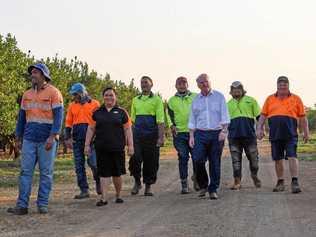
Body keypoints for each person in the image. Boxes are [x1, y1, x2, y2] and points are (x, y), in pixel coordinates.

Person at [7, 63, 63, 215]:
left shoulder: (54, 93)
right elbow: (21, 118)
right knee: (25, 172)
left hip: (47, 139)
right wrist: (18, 137)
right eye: (32, 72)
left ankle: (42, 204)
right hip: (29, 139)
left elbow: (58, 117)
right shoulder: (26, 94)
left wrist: (53, 136)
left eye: (35, 72)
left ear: (43, 75)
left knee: (45, 173)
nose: (32, 75)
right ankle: (22, 205)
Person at [257, 76, 309, 193]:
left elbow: (303, 117)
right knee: (278, 159)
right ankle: (280, 182)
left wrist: (306, 132)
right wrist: (259, 128)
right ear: (277, 86)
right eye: (280, 86)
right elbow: (263, 115)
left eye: (285, 86)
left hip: (291, 134)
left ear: (288, 86)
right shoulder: (270, 99)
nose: (282, 88)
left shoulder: (296, 99)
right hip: (275, 134)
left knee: (292, 156)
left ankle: (295, 182)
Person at [85, 87, 134, 206]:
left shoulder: (122, 112)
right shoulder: (97, 112)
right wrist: (87, 144)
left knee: (117, 174)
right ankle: (104, 198)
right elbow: (91, 129)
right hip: (101, 148)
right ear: (103, 97)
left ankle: (118, 195)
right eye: (106, 95)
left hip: (117, 148)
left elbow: (128, 130)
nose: (109, 97)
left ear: (115, 97)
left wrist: (130, 145)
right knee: (103, 173)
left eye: (111, 95)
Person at [188, 73, 230, 200]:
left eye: (206, 81)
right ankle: (203, 185)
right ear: (198, 85)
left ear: (209, 82)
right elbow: (192, 119)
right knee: (197, 159)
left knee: (214, 162)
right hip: (200, 133)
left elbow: (225, 115)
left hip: (216, 133)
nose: (204, 84)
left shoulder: (219, 97)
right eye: (201, 82)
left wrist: (224, 131)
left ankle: (213, 189)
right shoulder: (195, 100)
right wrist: (191, 136)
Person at [129, 76, 165, 196]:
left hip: (152, 135)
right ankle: (137, 182)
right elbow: (132, 120)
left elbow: (160, 120)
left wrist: (161, 137)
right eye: (142, 83)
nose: (143, 84)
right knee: (135, 158)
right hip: (137, 135)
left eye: (146, 82)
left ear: (151, 84)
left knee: (151, 161)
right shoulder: (135, 99)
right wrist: (129, 138)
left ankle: (148, 186)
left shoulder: (157, 100)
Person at [65, 83, 101, 199]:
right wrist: (67, 137)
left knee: (94, 163)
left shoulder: (95, 104)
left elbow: (99, 122)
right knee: (79, 166)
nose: (74, 97)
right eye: (73, 95)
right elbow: (68, 123)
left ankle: (99, 181)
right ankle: (84, 190)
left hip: (92, 140)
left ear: (82, 93)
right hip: (77, 139)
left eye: (76, 94)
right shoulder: (72, 106)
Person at [167, 76, 199, 194]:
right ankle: (184, 185)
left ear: (187, 85)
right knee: (183, 157)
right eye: (179, 83)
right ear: (176, 86)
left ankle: (197, 178)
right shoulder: (171, 100)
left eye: (184, 83)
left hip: (195, 132)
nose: (181, 85)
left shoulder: (196, 97)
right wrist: (171, 126)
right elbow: (169, 115)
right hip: (179, 134)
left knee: (197, 158)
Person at [227, 81, 261, 190]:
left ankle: (254, 175)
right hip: (234, 137)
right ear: (231, 91)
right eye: (234, 90)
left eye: (238, 89)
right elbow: (224, 121)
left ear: (242, 90)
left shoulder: (251, 101)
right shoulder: (228, 104)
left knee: (254, 159)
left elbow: (259, 117)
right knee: (236, 161)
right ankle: (237, 181)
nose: (236, 91)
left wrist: (261, 129)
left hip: (249, 136)